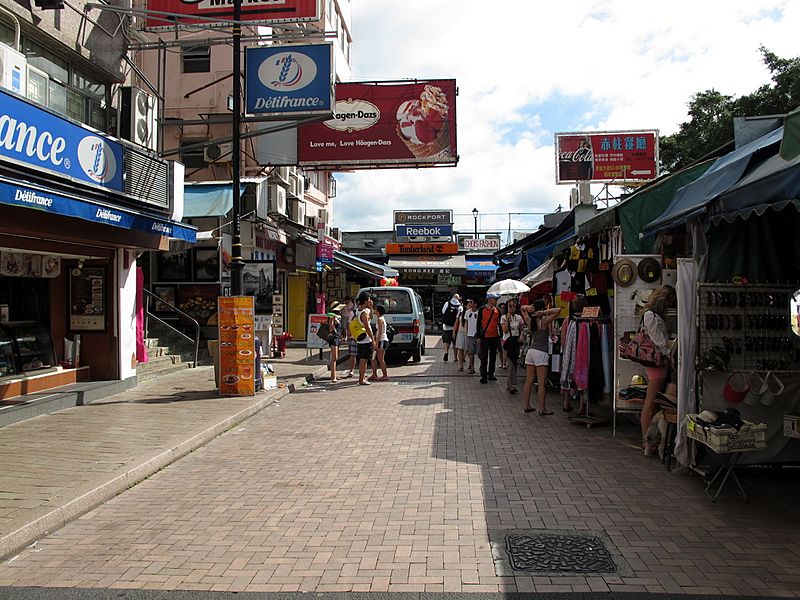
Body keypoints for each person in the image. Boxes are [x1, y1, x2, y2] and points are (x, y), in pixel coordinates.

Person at [640, 284, 677, 455]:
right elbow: (659, 341)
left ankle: (649, 439)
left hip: (657, 364)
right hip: (656, 364)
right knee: (650, 401)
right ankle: (646, 440)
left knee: (653, 402)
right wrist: (670, 354)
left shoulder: (652, 315)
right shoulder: (651, 316)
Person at [521, 299, 561, 414]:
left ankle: (526, 405)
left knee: (529, 380)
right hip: (541, 352)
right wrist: (543, 313)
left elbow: (522, 309)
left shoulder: (529, 320)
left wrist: (527, 308)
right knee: (542, 383)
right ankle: (542, 408)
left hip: (531, 352)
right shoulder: (544, 321)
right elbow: (558, 310)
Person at [560, 295, 588, 413]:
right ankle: (582, 406)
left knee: (568, 375)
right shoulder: (588, 320)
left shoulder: (569, 319)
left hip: (569, 353)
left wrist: (565, 350)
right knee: (582, 375)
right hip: (582, 354)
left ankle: (566, 402)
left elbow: (562, 337)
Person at [501, 299, 525, 394]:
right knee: (510, 363)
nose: (512, 308)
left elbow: (522, 329)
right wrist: (507, 318)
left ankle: (510, 384)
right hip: (507, 341)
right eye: (510, 306)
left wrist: (521, 336)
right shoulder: (503, 317)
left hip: (515, 342)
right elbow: (505, 330)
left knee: (515, 363)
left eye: (513, 306)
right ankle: (512, 385)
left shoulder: (519, 318)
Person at [476, 293, 501, 384]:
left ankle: (491, 374)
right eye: (495, 299)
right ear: (490, 299)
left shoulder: (497, 310)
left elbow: (499, 324)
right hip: (485, 337)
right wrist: (478, 336)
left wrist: (500, 335)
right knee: (484, 356)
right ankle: (483, 375)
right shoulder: (482, 310)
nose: (496, 301)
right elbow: (478, 323)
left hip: (495, 337)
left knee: (493, 356)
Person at [354, 292, 377, 386]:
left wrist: (371, 307)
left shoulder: (359, 310)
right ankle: (361, 379)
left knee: (363, 359)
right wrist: (373, 339)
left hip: (360, 339)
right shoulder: (363, 313)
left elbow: (371, 316)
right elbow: (367, 327)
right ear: (366, 300)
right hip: (365, 339)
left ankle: (362, 377)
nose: (370, 301)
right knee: (363, 360)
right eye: (369, 299)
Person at [370, 304, 390, 381]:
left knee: (380, 359)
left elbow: (380, 332)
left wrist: (376, 342)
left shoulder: (380, 319)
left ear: (378, 311)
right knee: (373, 358)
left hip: (381, 340)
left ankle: (385, 375)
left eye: (376, 310)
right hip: (380, 340)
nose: (374, 311)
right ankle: (374, 374)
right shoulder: (380, 318)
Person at [326, 301, 344, 382]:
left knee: (335, 357)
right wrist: (333, 321)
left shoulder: (338, 317)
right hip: (334, 338)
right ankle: (333, 376)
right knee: (334, 357)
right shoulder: (331, 317)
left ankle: (333, 375)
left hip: (337, 338)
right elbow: (331, 329)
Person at [441, 293, 462, 362]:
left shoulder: (447, 303)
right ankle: (455, 358)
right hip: (455, 328)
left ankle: (446, 352)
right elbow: (459, 317)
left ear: (452, 297)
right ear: (458, 299)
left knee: (446, 341)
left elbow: (443, 312)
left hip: (446, 326)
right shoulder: (460, 306)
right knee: (455, 343)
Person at [341, 296, 357, 378]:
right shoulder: (353, 313)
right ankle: (352, 370)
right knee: (353, 355)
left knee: (362, 357)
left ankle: (360, 372)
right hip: (354, 337)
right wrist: (348, 336)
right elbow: (349, 325)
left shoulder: (364, 312)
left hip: (362, 338)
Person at [463, 299, 479, 374]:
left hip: (478, 335)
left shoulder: (479, 312)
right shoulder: (467, 312)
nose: (469, 303)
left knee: (480, 353)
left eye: (471, 302)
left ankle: (482, 367)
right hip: (469, 335)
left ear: (475, 304)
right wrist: (466, 333)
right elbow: (466, 323)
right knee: (471, 352)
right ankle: (472, 368)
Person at [453, 303, 468, 372]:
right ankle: (461, 366)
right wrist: (454, 332)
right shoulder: (460, 313)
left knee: (468, 350)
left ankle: (470, 364)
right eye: (468, 304)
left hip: (469, 334)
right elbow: (456, 323)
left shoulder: (473, 313)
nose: (470, 305)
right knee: (460, 349)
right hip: (460, 333)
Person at [497, 302, 508, 368]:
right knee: (499, 350)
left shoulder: (506, 316)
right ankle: (501, 363)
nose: (502, 309)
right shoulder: (497, 315)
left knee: (504, 350)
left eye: (503, 308)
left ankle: (504, 363)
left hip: (504, 335)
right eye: (501, 308)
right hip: (498, 334)